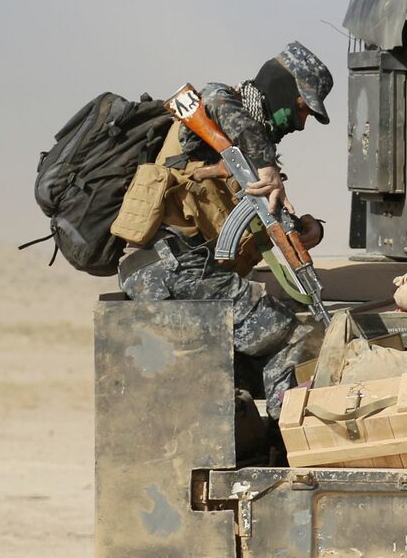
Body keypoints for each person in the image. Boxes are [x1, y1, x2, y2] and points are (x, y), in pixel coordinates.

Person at [115, 42, 334, 417]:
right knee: (295, 338)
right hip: (174, 269)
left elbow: (244, 223)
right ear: (282, 88)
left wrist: (302, 230)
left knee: (250, 361)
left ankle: (267, 434)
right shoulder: (216, 112)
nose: (300, 123)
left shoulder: (245, 150)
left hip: (181, 272)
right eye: (301, 108)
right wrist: (265, 165)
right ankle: (293, 435)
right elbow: (214, 98)